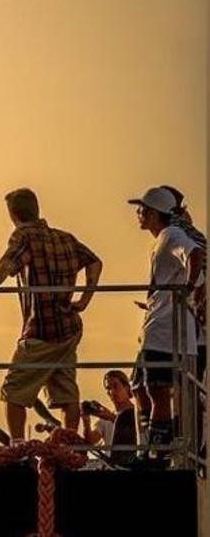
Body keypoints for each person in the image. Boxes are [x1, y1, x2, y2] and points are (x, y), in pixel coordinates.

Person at [0, 188, 102, 443]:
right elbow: (95, 262)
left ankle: (17, 446)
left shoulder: (24, 236)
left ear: (13, 214)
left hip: (41, 329)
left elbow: (8, 263)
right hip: (69, 328)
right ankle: (68, 448)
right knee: (66, 391)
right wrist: (84, 298)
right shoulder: (65, 238)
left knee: (14, 390)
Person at [129, 187, 205, 457]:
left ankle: (160, 453)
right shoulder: (166, 237)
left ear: (152, 213)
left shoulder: (171, 235)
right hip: (175, 326)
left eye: (141, 210)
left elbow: (194, 254)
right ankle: (176, 449)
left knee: (156, 389)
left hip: (164, 326)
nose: (138, 214)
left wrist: (187, 288)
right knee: (170, 391)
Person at [81, 370, 138, 465]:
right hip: (113, 465)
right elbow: (90, 441)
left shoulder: (137, 413)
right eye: (108, 388)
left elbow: (136, 432)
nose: (112, 391)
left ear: (127, 388)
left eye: (116, 386)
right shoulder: (104, 419)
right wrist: (86, 421)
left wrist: (111, 417)